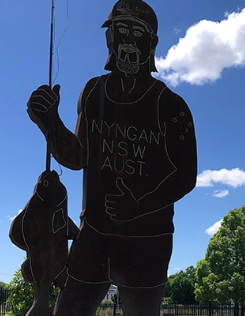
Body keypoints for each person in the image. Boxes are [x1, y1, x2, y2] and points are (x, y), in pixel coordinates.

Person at [27, 1, 197, 315]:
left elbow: (186, 176)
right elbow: (78, 157)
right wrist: (49, 122)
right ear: (110, 40)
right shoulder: (94, 92)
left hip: (148, 241)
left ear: (151, 43)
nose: (128, 41)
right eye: (121, 31)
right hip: (94, 236)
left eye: (137, 33)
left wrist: (139, 205)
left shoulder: (171, 105)